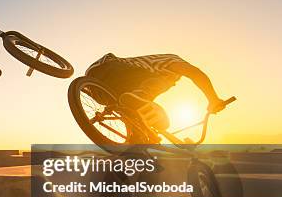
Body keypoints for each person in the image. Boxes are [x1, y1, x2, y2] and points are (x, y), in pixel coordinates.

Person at [85, 53, 228, 139]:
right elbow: (195, 72)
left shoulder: (138, 88)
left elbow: (135, 102)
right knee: (161, 82)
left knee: (135, 113)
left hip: (98, 88)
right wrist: (213, 99)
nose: (175, 82)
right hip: (111, 68)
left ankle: (136, 150)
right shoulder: (170, 61)